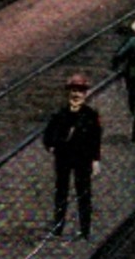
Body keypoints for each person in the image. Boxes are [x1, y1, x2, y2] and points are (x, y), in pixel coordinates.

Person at [42, 73, 102, 240]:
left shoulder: (91, 115)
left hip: (82, 159)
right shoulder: (59, 114)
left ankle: (85, 230)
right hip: (64, 158)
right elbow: (47, 136)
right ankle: (58, 227)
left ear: (85, 94)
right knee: (61, 192)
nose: (76, 94)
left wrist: (96, 160)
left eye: (80, 91)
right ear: (68, 93)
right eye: (73, 91)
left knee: (83, 193)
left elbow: (95, 139)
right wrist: (53, 147)